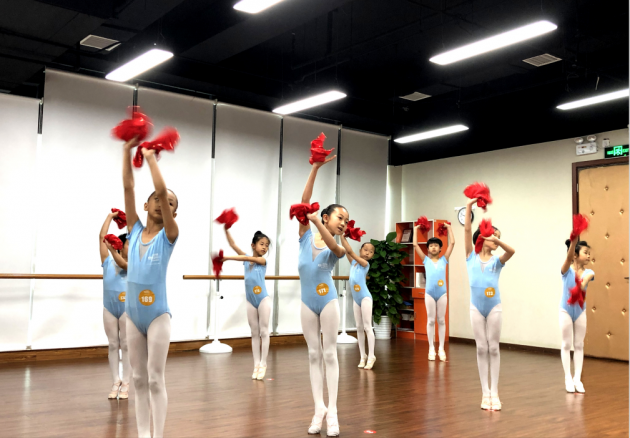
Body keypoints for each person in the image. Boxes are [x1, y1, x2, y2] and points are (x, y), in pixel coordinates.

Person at [122, 137, 179, 438]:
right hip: (132, 315)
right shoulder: (133, 230)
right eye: (156, 199)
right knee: (138, 378)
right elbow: (128, 187)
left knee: (156, 379)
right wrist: (126, 150)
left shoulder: (169, 234)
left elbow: (161, 188)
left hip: (157, 315)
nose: (162, 202)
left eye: (169, 203)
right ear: (146, 205)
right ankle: (143, 435)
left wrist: (151, 158)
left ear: (173, 214)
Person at [297, 152, 347, 437]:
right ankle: (319, 409)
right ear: (327, 216)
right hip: (307, 303)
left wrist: (317, 223)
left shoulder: (336, 245)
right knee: (313, 354)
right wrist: (315, 168)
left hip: (328, 302)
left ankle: (334, 411)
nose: (343, 223)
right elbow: (305, 203)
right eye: (340, 217)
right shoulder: (305, 236)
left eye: (346, 221)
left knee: (329, 353)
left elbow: (336, 249)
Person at [463, 197, 515, 411]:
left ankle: (495, 392)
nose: (495, 240)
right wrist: (469, 206)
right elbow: (467, 229)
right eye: (493, 237)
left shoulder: (497, 261)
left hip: (494, 307)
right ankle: (485, 393)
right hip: (476, 308)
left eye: (498, 238)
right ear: (482, 238)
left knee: (494, 348)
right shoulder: (470, 256)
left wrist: (498, 240)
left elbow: (511, 251)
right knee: (481, 347)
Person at [222, 227, 272, 380]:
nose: (265, 247)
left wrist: (227, 258)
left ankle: (263, 363)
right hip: (251, 301)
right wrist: (226, 230)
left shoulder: (262, 261)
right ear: (253, 245)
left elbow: (246, 258)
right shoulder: (246, 259)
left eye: (267, 245)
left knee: (264, 331)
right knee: (254, 332)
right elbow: (233, 244)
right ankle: (256, 364)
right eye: (262, 244)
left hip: (263, 299)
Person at [98, 211, 131, 400]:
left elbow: (123, 263)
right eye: (128, 244)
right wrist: (110, 217)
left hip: (127, 309)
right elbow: (101, 238)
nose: (131, 247)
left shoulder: (134, 264)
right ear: (120, 245)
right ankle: (115, 381)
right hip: (109, 307)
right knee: (112, 344)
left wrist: (113, 251)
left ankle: (126, 382)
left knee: (126, 344)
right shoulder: (107, 262)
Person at [413, 222, 454, 361]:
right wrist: (415, 229)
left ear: (440, 248)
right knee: (430, 320)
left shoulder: (444, 260)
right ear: (428, 249)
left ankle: (441, 348)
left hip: (442, 294)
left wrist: (449, 228)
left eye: (436, 245)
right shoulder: (426, 260)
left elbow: (452, 243)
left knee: (441, 320)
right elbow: (415, 245)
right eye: (431, 246)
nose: (434, 247)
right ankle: (431, 348)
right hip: (429, 294)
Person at [560, 237, 594, 393]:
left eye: (589, 253)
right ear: (575, 255)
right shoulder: (566, 270)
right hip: (565, 310)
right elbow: (568, 258)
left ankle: (577, 379)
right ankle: (568, 378)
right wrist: (573, 241)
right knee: (566, 344)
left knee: (579, 345)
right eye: (585, 252)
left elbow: (584, 281)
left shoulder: (589, 272)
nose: (588, 256)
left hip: (580, 311)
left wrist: (580, 285)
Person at [340, 236, 376, 369]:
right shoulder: (353, 263)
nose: (367, 253)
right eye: (365, 250)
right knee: (359, 328)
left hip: (365, 298)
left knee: (367, 327)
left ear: (372, 255)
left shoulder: (365, 264)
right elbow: (346, 250)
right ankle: (362, 356)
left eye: (371, 251)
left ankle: (371, 356)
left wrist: (343, 238)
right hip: (357, 299)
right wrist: (342, 236)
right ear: (360, 250)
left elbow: (351, 252)